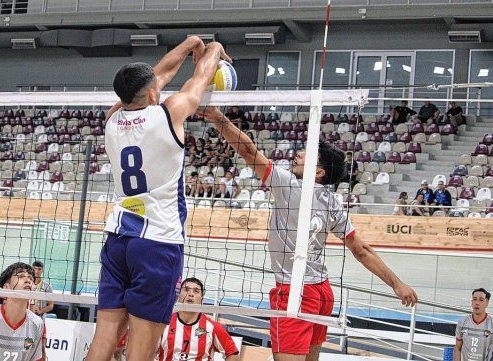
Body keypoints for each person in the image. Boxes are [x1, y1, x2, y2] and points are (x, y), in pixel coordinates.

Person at [197, 106, 418, 361]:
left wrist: (217, 118)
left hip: (294, 292)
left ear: (319, 172)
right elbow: (361, 250)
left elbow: (247, 150)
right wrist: (397, 284)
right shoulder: (333, 201)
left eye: (307, 154)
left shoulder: (288, 185)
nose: (299, 154)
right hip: (322, 291)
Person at [87, 37, 231, 361]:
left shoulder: (110, 119)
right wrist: (212, 50)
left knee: (100, 347)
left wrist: (188, 44)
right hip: (157, 243)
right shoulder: (168, 114)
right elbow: (199, 80)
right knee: (141, 354)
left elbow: (154, 78)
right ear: (152, 93)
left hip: (118, 240)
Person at [157, 278, 240, 361]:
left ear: (202, 299)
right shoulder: (163, 323)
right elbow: (148, 350)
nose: (190, 294)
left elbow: (233, 354)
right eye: (186, 290)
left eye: (196, 291)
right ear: (178, 296)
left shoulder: (213, 327)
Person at [454, 288, 492, 361]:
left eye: (481, 300)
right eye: (474, 299)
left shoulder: (491, 323)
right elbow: (457, 347)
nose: (477, 303)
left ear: (487, 303)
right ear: (471, 302)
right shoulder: (462, 322)